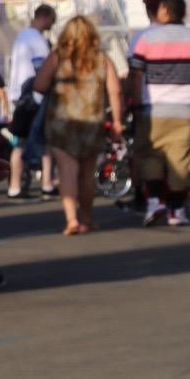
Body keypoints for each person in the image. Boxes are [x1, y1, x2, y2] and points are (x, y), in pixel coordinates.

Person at [126, 0, 190, 228]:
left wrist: (134, 101)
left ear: (164, 10)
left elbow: (136, 73)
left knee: (151, 156)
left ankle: (155, 202)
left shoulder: (146, 39)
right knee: (181, 158)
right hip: (188, 107)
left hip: (153, 107)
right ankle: (177, 209)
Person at [32, 15, 125, 235]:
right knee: (87, 174)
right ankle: (86, 218)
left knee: (67, 172)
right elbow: (115, 90)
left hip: (61, 122)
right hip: (92, 122)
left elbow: (39, 85)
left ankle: (71, 219)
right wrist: (118, 121)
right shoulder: (102, 59)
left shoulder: (58, 57)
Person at [6, 4, 57, 198]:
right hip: (33, 96)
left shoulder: (22, 37)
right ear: (44, 17)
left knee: (23, 140)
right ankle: (34, 184)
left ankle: (22, 184)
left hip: (19, 95)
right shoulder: (37, 40)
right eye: (52, 20)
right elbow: (43, 70)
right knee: (37, 141)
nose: (52, 25)